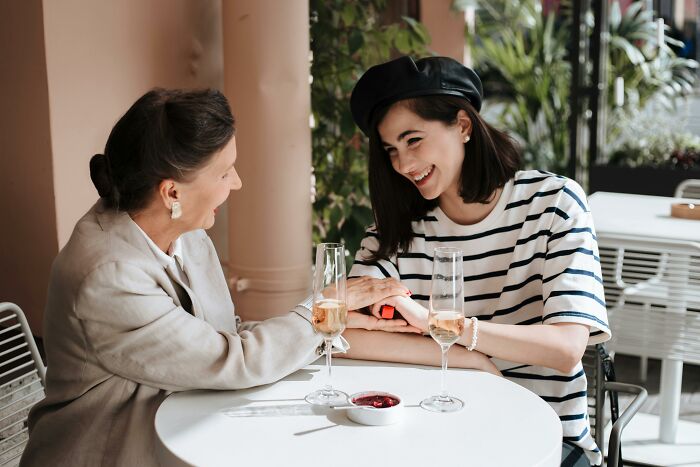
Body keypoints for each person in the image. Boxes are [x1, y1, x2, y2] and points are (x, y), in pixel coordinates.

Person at [19, 88, 429, 467]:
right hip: (110, 453)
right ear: (172, 193)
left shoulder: (187, 233)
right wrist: (320, 307)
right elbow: (231, 360)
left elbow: (222, 337)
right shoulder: (107, 277)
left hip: (181, 433)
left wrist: (327, 326)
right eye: (224, 172)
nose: (237, 182)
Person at [344, 56, 611, 467]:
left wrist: (447, 328)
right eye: (391, 150)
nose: (403, 164)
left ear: (463, 125)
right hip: (434, 442)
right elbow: (345, 336)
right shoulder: (394, 230)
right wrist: (471, 359)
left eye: (413, 140)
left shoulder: (553, 204)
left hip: (544, 444)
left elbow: (566, 347)